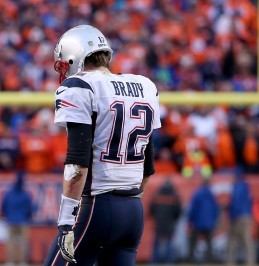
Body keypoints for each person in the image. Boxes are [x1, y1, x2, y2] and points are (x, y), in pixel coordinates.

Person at [44, 25, 161, 266]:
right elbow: (148, 167)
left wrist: (67, 222)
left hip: (97, 206)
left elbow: (77, 164)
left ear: (75, 57)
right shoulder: (144, 86)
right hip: (132, 210)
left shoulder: (80, 86)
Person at [1, 171, 33, 265]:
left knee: (10, 243)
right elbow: (29, 209)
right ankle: (23, 262)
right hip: (22, 220)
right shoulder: (25, 194)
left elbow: (3, 207)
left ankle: (10, 262)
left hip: (11, 220)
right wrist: (27, 216)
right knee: (23, 243)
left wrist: (8, 216)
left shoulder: (8, 194)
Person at [226, 167, 256, 266]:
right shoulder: (246, 186)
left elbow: (236, 201)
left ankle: (231, 262)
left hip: (239, 216)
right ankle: (250, 261)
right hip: (247, 215)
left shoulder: (237, 186)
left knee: (233, 239)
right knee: (247, 240)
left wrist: (233, 216)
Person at [187, 177, 219, 263]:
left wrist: (190, 220)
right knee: (209, 243)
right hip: (209, 223)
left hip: (198, 222)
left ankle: (191, 259)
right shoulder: (212, 194)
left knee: (193, 241)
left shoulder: (197, 193)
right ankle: (210, 260)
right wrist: (214, 220)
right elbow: (215, 209)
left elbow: (193, 208)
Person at [149, 179, 181, 264]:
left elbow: (151, 209)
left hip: (159, 222)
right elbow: (178, 211)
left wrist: (157, 217)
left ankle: (154, 262)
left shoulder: (157, 194)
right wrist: (174, 219)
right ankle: (169, 262)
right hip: (170, 223)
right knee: (169, 243)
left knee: (156, 243)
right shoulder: (174, 196)